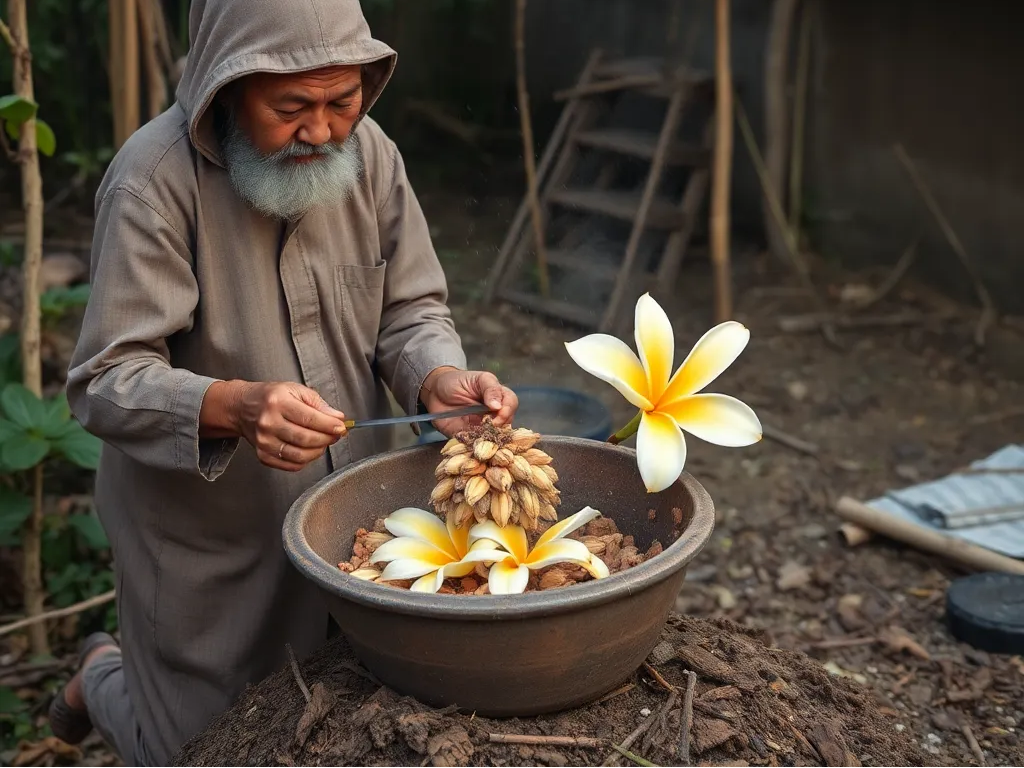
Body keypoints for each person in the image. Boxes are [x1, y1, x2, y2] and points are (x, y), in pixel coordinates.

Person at [50, 0, 519, 764]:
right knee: (194, 743)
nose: (323, 131)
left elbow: (410, 308)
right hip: (212, 537)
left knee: (329, 722)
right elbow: (106, 377)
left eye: (343, 100)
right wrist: (231, 404)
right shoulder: (151, 184)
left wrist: (435, 374)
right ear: (225, 91)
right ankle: (101, 678)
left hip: (351, 514)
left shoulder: (372, 156)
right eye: (291, 107)